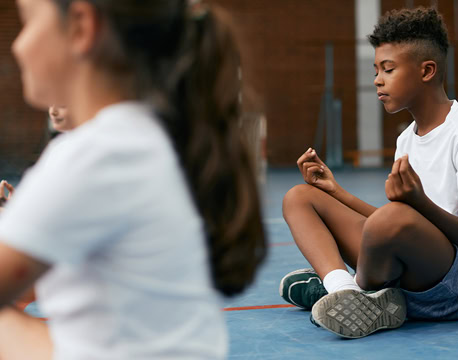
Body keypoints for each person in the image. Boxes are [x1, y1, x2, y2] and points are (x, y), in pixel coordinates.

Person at [0, 0, 266, 359]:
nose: (18, 45)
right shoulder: (152, 139)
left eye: (28, 22)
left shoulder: (95, 155)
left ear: (80, 25)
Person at [279, 7, 458, 339]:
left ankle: (348, 290)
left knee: (393, 217)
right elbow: (393, 227)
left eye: (388, 69)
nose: (377, 80)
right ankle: (345, 291)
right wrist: (335, 191)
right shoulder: (406, 138)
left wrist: (419, 202)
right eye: (376, 70)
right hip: (414, 266)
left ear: (426, 70)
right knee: (299, 197)